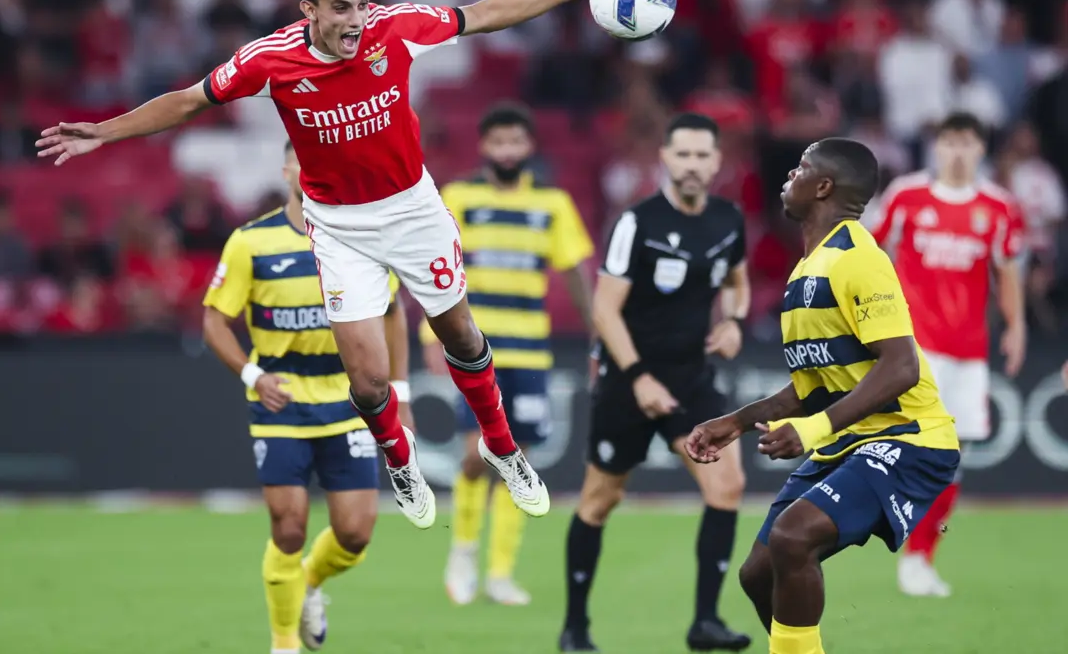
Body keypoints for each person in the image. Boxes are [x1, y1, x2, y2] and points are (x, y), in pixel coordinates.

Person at [38, 0, 641, 527]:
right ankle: (399, 460)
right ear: (310, 10)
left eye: (361, 3)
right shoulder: (269, 60)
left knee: (459, 334)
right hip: (340, 225)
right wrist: (104, 131)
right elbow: (189, 102)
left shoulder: (394, 27)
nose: (356, 19)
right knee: (368, 378)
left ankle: (502, 448)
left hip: (412, 209)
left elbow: (485, 14)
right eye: (340, 7)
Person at [687, 138, 961, 654]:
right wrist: (737, 422)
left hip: (910, 437)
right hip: (851, 441)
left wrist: (813, 430)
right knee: (758, 575)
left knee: (794, 538)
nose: (789, 175)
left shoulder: (859, 259)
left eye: (801, 168)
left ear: (824, 187)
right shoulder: (807, 269)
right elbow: (813, 385)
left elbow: (900, 366)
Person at [201, 141, 412, 654]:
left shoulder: (362, 240)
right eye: (304, 161)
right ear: (288, 169)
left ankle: (310, 584)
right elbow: (214, 319)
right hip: (283, 405)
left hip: (349, 404)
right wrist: (253, 375)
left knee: (356, 534)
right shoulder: (251, 242)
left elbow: (390, 313)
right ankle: (284, 643)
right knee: (289, 528)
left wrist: (399, 392)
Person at [561, 113, 752, 653]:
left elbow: (738, 283)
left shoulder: (728, 220)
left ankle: (705, 622)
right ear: (665, 158)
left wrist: (734, 320)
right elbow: (605, 309)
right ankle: (575, 627)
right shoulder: (636, 222)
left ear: (717, 162)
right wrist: (639, 377)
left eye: (702, 156)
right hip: (629, 380)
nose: (692, 165)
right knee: (601, 499)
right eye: (683, 155)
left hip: (691, 378)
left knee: (727, 485)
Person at [423, 103, 595, 607]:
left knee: (519, 459)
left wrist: (595, 338)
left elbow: (575, 275)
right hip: (473, 349)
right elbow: (432, 268)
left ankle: (500, 573)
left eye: (514, 142)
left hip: (530, 352)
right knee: (479, 451)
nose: (506, 151)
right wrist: (431, 336)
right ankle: (463, 552)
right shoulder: (459, 197)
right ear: (484, 147)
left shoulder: (553, 205)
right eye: (497, 142)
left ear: (529, 148)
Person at [871, 112, 1026, 598]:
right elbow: (869, 254)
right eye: (949, 142)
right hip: (915, 348)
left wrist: (1017, 325)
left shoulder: (998, 207)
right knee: (917, 450)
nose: (957, 151)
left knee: (951, 463)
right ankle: (887, 533)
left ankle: (920, 559)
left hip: (970, 351)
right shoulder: (905, 196)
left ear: (981, 150)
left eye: (967, 142)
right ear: (935, 148)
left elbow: (1008, 270)